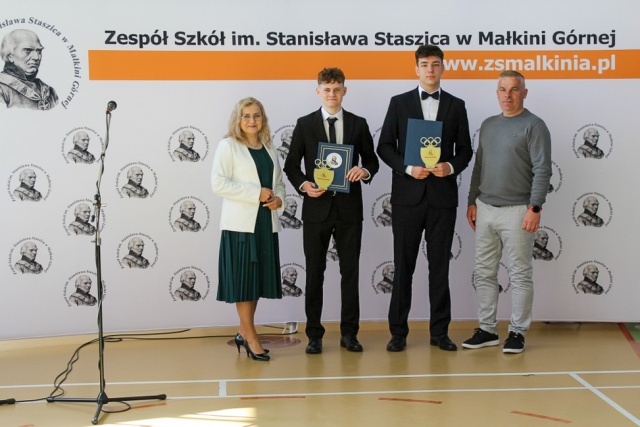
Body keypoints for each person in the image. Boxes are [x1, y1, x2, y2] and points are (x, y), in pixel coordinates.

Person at [377, 45, 472, 352]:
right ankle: (398, 333)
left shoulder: (456, 105)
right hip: (407, 197)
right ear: (416, 69)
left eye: (435, 64)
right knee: (403, 267)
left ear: (443, 67)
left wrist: (450, 167)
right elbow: (384, 146)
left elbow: (465, 150)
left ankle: (440, 333)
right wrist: (408, 167)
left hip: (442, 198)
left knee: (440, 268)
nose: (430, 69)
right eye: (425, 64)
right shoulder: (399, 103)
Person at [284, 67, 379, 355]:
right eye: (327, 89)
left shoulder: (358, 123)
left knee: (350, 273)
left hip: (349, 210)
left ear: (344, 91)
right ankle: (314, 335)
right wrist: (304, 186)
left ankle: (350, 334)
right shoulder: (305, 124)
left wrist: (363, 171)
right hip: (316, 209)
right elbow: (291, 165)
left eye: (337, 89)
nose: (332, 94)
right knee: (314, 273)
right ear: (318, 91)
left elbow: (372, 162)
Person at [464, 70, 552, 354]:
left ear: (524, 93)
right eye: (503, 89)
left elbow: (542, 170)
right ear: (497, 92)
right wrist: (472, 201)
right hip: (485, 208)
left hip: (519, 211)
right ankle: (487, 329)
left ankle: (517, 332)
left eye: (514, 89)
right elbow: (479, 166)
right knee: (484, 272)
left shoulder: (535, 125)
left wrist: (535, 207)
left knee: (520, 274)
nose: (508, 95)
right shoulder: (488, 125)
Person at [211, 97, 285, 362]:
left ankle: (244, 331)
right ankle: (251, 336)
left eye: (256, 115)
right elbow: (218, 184)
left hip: (265, 222)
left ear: (263, 119)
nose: (252, 121)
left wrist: (278, 199)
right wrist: (256, 193)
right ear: (238, 119)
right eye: (246, 116)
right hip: (240, 225)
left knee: (256, 281)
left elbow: (279, 184)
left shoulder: (269, 147)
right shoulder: (228, 145)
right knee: (243, 282)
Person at [0, 29, 58, 110]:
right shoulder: (2, 88)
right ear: (10, 56)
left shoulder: (49, 92)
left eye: (39, 51)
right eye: (27, 50)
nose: (36, 57)